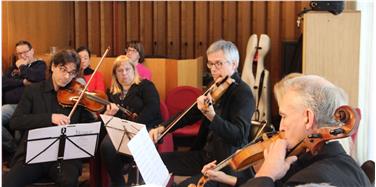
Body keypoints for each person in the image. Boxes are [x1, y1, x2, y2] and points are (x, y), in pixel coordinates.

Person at [200, 74, 371, 187]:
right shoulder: (349, 167)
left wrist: (267, 172)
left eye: (284, 116)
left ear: (307, 118)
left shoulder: (310, 179)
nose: (280, 127)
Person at [149, 40, 255, 187]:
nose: (213, 69)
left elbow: (238, 136)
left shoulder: (243, 93)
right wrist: (163, 127)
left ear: (234, 64)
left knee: (186, 185)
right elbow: (189, 113)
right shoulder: (215, 85)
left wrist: (212, 116)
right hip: (205, 155)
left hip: (225, 164)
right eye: (210, 64)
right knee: (155, 162)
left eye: (218, 63)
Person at [3, 50, 96, 187]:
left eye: (71, 73)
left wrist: (100, 117)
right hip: (33, 154)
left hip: (65, 157)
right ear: (53, 66)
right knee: (9, 182)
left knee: (69, 182)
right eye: (62, 69)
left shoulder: (78, 97)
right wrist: (50, 117)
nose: (66, 76)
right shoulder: (33, 91)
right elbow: (16, 121)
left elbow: (88, 129)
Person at [100, 55, 163, 186]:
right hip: (121, 130)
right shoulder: (111, 93)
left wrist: (135, 125)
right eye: (120, 71)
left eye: (127, 69)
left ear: (134, 70)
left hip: (145, 127)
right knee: (106, 145)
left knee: (137, 144)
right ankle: (118, 182)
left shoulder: (145, 85)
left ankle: (138, 181)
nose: (124, 73)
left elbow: (153, 108)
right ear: (115, 74)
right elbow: (108, 120)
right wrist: (108, 114)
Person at [2, 40, 46, 163]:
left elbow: (36, 77)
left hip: (28, 107)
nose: (22, 56)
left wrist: (22, 66)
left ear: (32, 51)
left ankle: (17, 155)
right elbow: (3, 83)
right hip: (11, 105)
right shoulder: (12, 68)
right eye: (19, 53)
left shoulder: (39, 65)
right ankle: (15, 150)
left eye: (25, 52)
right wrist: (22, 82)